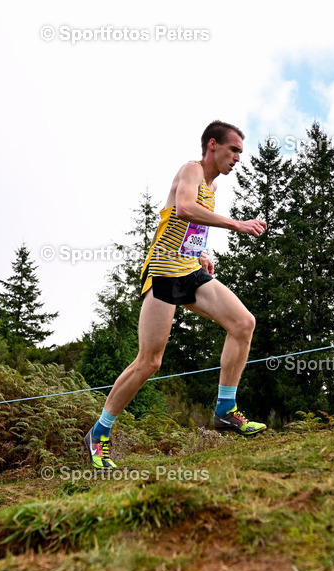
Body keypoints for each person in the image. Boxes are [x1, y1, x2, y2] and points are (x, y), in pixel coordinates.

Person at [84, 120, 268, 469]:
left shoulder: (211, 187)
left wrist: (199, 254)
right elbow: (183, 207)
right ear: (212, 145)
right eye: (234, 150)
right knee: (149, 362)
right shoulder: (191, 170)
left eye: (241, 153)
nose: (238, 159)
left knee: (243, 323)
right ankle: (99, 431)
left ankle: (225, 410)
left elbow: (184, 224)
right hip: (164, 273)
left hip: (190, 270)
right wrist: (237, 224)